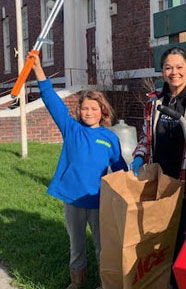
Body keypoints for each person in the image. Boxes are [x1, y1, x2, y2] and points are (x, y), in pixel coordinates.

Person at [29, 52, 128, 289]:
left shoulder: (109, 138)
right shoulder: (71, 129)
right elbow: (51, 99)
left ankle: (106, 282)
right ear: (78, 111)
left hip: (99, 200)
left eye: (94, 108)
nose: (88, 112)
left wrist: (128, 186)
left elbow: (119, 169)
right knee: (76, 243)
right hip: (73, 199)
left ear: (102, 111)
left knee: (103, 245)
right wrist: (39, 70)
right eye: (84, 108)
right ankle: (77, 282)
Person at [130, 47, 186, 288]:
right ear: (162, 71)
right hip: (161, 184)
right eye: (168, 68)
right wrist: (139, 157)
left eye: (179, 67)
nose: (174, 72)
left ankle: (185, 283)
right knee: (163, 240)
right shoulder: (154, 101)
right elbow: (145, 137)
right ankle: (166, 283)